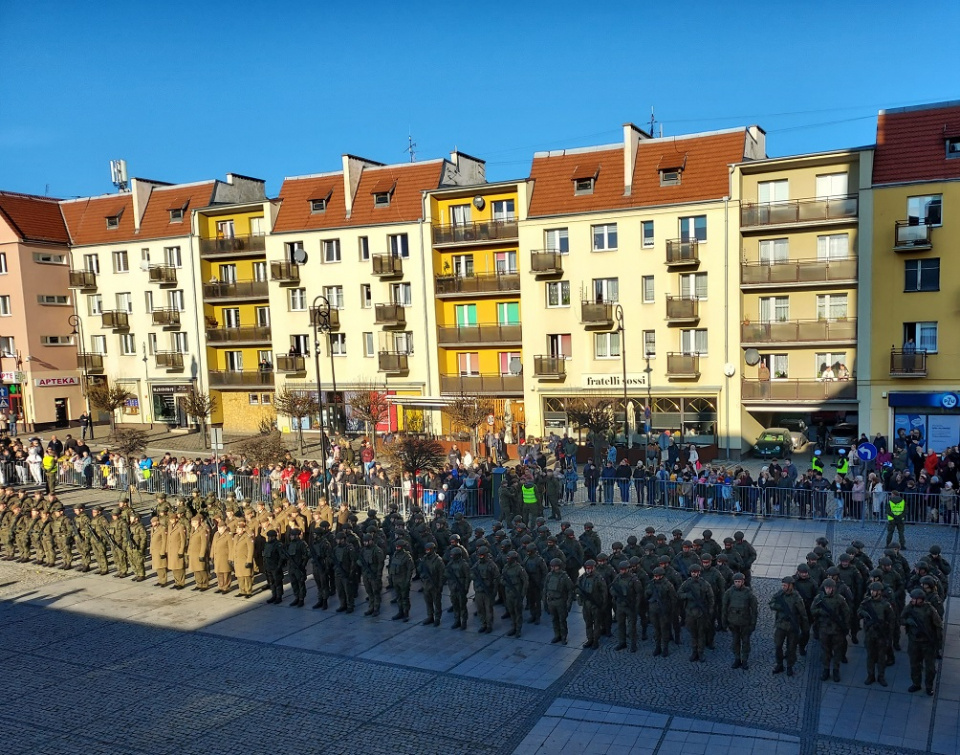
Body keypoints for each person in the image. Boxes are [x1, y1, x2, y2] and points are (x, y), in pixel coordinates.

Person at [902, 588, 943, 695]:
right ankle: (916, 684)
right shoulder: (909, 608)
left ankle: (929, 686)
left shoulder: (930, 609)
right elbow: (900, 619)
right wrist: (907, 621)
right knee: (915, 665)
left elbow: (938, 625)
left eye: (915, 599)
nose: (912, 601)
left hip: (928, 643)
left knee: (930, 668)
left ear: (921, 600)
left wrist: (938, 642)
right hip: (914, 642)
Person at [811, 578, 850, 682]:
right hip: (824, 628)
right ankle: (826, 669)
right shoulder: (819, 598)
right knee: (825, 651)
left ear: (834, 588)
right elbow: (812, 610)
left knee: (837, 651)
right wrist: (821, 611)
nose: (828, 590)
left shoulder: (840, 599)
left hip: (837, 629)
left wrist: (846, 626)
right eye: (826, 588)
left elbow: (846, 613)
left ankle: (836, 670)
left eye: (830, 588)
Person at [769, 575, 808, 677]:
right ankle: (779, 664)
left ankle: (790, 666)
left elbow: (803, 613)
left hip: (792, 626)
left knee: (791, 648)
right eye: (783, 585)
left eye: (785, 585)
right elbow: (771, 603)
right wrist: (780, 607)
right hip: (781, 625)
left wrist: (804, 628)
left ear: (791, 586)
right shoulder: (780, 594)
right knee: (778, 646)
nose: (783, 587)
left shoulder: (797, 597)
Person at [722, 572, 758, 670]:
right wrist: (724, 621)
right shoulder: (729, 592)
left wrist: (753, 623)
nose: (737, 583)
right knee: (735, 642)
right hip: (733, 622)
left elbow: (754, 609)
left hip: (745, 622)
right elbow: (724, 607)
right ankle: (737, 658)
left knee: (745, 642)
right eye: (736, 582)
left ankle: (745, 659)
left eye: (739, 581)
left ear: (743, 581)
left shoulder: (748, 593)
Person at [544, 557, 574, 645]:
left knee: (562, 620)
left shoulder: (564, 577)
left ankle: (564, 636)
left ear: (559, 567)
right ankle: (557, 635)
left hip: (560, 602)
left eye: (555, 566)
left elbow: (570, 590)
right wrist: (545, 601)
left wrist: (569, 603)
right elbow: (545, 589)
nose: (553, 568)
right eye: (552, 566)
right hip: (551, 601)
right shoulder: (549, 575)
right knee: (554, 619)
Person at [500, 550, 528, 638]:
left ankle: (518, 629)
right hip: (508, 593)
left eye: (509, 558)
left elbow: (525, 582)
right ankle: (513, 627)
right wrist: (504, 583)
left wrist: (523, 594)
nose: (507, 559)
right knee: (511, 611)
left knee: (518, 612)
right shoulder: (505, 567)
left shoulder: (519, 569)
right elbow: (501, 578)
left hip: (517, 593)